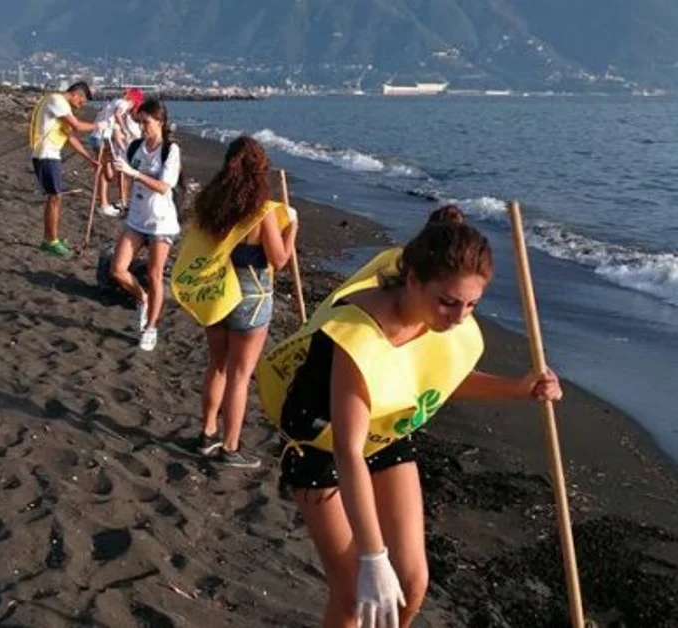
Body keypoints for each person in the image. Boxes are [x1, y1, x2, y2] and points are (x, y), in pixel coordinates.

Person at [256, 206, 564, 627]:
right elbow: (347, 451)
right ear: (413, 280)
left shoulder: (438, 317)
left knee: (413, 583)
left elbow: (436, 376)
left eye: (472, 305)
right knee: (353, 594)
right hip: (320, 446)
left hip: (385, 430)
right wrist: (373, 556)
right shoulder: (357, 333)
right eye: (449, 302)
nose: (458, 318)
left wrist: (520, 388)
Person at [170, 136, 297, 468]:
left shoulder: (210, 204)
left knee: (217, 365)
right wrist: (292, 227)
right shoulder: (261, 212)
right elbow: (279, 260)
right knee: (240, 376)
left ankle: (207, 433)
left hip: (217, 290)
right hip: (250, 297)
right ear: (259, 171)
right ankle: (230, 447)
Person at [108, 99, 182, 352]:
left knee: (154, 275)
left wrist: (135, 173)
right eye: (139, 122)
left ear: (160, 122)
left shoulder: (170, 150)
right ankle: (143, 299)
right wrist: (114, 163)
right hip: (137, 219)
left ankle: (151, 328)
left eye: (146, 122)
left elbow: (164, 187)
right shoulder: (136, 147)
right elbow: (120, 173)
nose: (142, 127)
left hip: (161, 222)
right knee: (117, 270)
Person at [28, 81, 105, 258]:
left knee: (56, 197)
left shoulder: (61, 109)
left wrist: (89, 159)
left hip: (51, 155)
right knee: (54, 197)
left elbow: (70, 137)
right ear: (76, 94)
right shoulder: (57, 101)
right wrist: (98, 126)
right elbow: (77, 126)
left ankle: (51, 238)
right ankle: (50, 241)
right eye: (82, 101)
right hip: (45, 154)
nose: (81, 105)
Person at [88, 87, 144, 218]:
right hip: (102, 137)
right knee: (107, 173)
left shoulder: (115, 101)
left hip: (98, 137)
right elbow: (118, 115)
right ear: (134, 101)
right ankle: (104, 205)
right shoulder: (124, 104)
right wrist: (125, 130)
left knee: (107, 172)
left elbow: (107, 115)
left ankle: (104, 203)